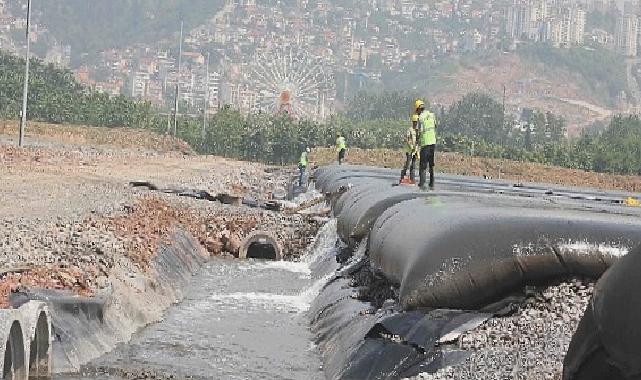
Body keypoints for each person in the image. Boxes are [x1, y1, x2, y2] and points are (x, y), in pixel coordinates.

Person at [415, 99, 437, 189]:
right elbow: (435, 126)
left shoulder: (420, 118)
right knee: (431, 164)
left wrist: (416, 142)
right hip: (433, 142)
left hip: (425, 143)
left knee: (423, 165)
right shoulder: (432, 115)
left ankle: (422, 183)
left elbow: (418, 131)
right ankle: (432, 183)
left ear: (419, 109)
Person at [400, 114, 419, 183]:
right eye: (415, 122)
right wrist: (410, 146)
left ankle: (412, 179)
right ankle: (402, 177)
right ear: (413, 122)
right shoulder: (410, 130)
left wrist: (416, 149)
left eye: (417, 122)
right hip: (409, 150)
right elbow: (406, 139)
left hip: (415, 150)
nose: (416, 123)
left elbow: (417, 140)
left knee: (413, 165)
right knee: (408, 164)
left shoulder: (417, 131)